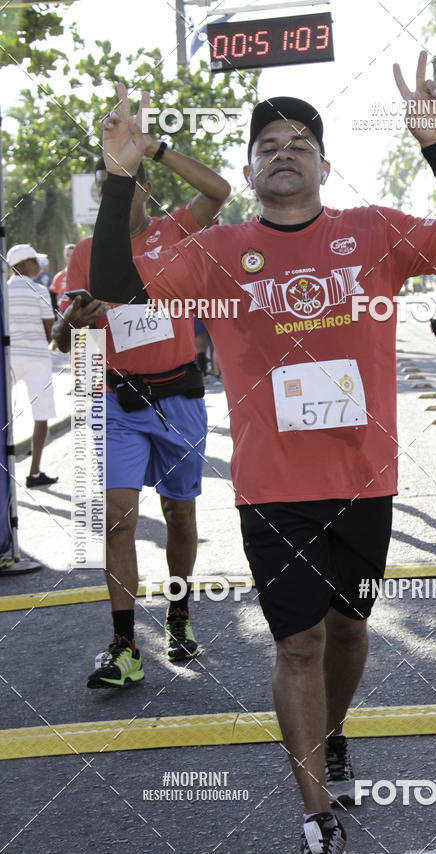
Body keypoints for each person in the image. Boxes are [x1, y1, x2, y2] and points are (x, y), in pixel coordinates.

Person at [90, 56, 436, 854]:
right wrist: (117, 179)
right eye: (267, 144)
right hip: (273, 487)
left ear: (322, 163)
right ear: (248, 169)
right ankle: (317, 826)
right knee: (298, 642)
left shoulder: (372, 231)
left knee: (348, 631)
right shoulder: (217, 251)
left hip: (364, 478)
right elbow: (111, 285)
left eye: (299, 142)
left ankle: (330, 732)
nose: (283, 152)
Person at [53, 135, 230, 689]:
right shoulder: (84, 252)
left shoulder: (173, 230)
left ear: (145, 192)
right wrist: (76, 321)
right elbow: (62, 337)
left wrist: (154, 148)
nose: (115, 195)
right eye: (109, 186)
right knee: (118, 521)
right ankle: (124, 644)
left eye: (125, 187)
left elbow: (219, 190)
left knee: (180, 516)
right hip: (120, 402)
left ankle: (179, 615)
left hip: (179, 398)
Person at [6, 244, 58, 487]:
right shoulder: (39, 290)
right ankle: (34, 473)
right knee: (41, 415)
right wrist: (41, 341)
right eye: (34, 261)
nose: (39, 266)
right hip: (37, 357)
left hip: (9, 358)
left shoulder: (3, 291)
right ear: (22, 265)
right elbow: (50, 330)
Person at [50, 243, 76, 315]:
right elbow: (53, 297)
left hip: (79, 315)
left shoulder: (83, 274)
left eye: (72, 255)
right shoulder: (59, 276)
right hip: (63, 314)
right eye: (68, 255)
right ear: (64, 256)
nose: (70, 258)